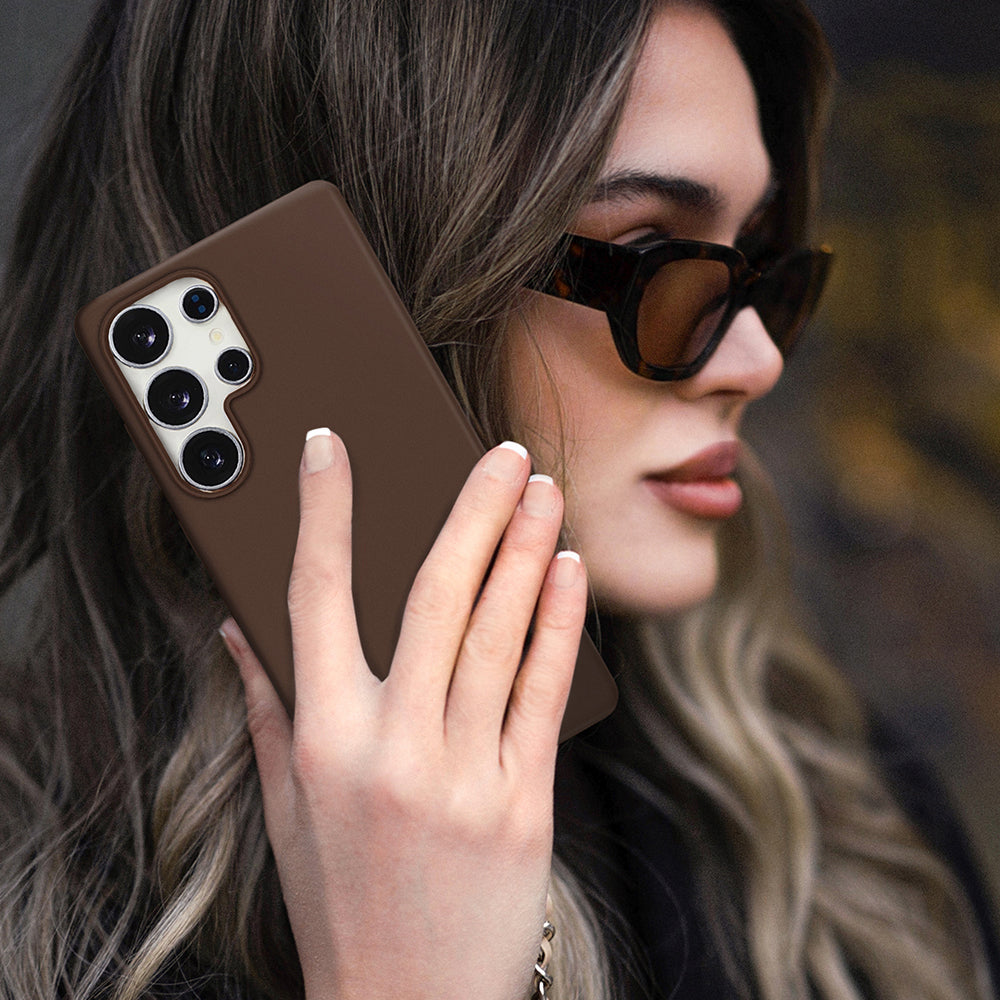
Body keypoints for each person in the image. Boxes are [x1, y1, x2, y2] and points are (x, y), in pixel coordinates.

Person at [0, 0, 996, 997]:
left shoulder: (852, 824)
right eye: (659, 259)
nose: (759, 359)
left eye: (762, 264)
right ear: (381, 283)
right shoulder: (44, 931)